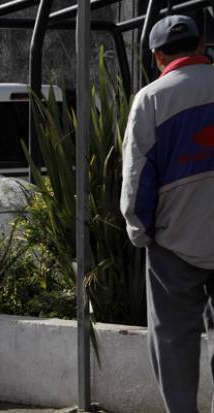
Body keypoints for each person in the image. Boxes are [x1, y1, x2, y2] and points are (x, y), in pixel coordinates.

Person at [120, 15, 214, 413]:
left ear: (158, 56)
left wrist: (140, 231)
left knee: (173, 340)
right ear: (200, 46)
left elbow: (137, 178)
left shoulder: (151, 99)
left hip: (173, 244)